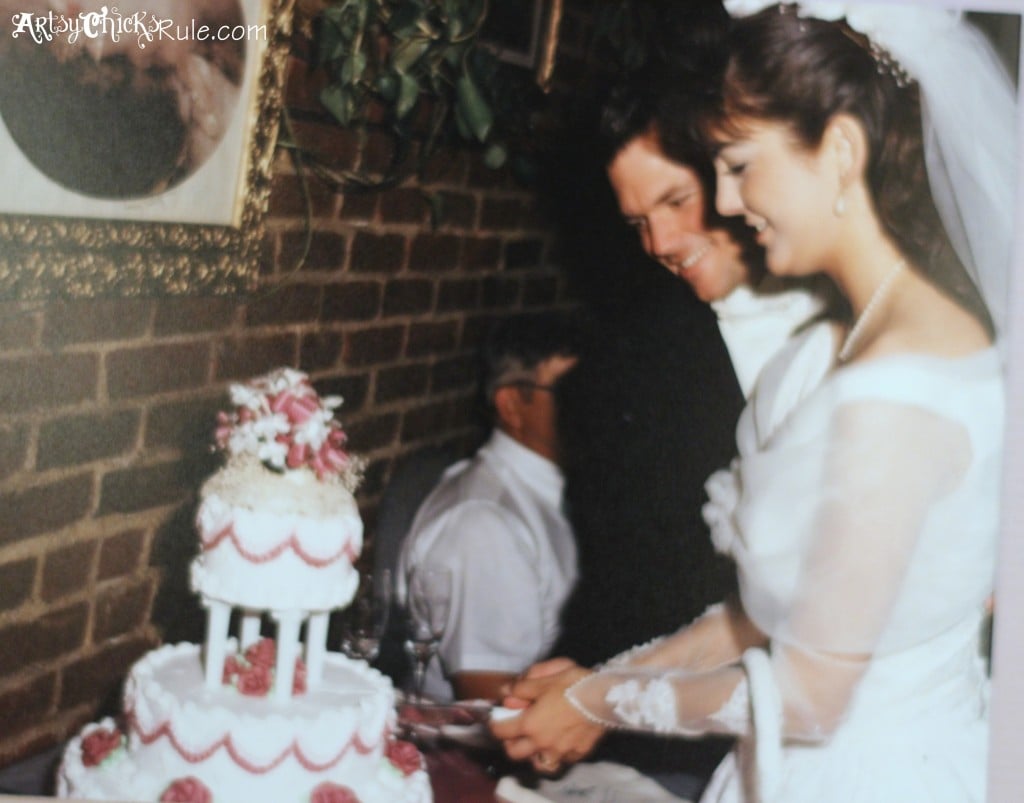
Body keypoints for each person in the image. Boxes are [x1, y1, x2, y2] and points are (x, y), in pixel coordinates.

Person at [493, 4, 1012, 802]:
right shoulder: (839, 349)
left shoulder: (903, 379)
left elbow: (808, 696)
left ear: (838, 152)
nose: (728, 201)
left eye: (738, 163)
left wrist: (598, 701)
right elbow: (764, 617)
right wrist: (606, 677)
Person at [396, 312, 579, 702]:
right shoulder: (484, 525)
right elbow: (494, 706)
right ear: (512, 405)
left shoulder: (559, 487)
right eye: (572, 390)